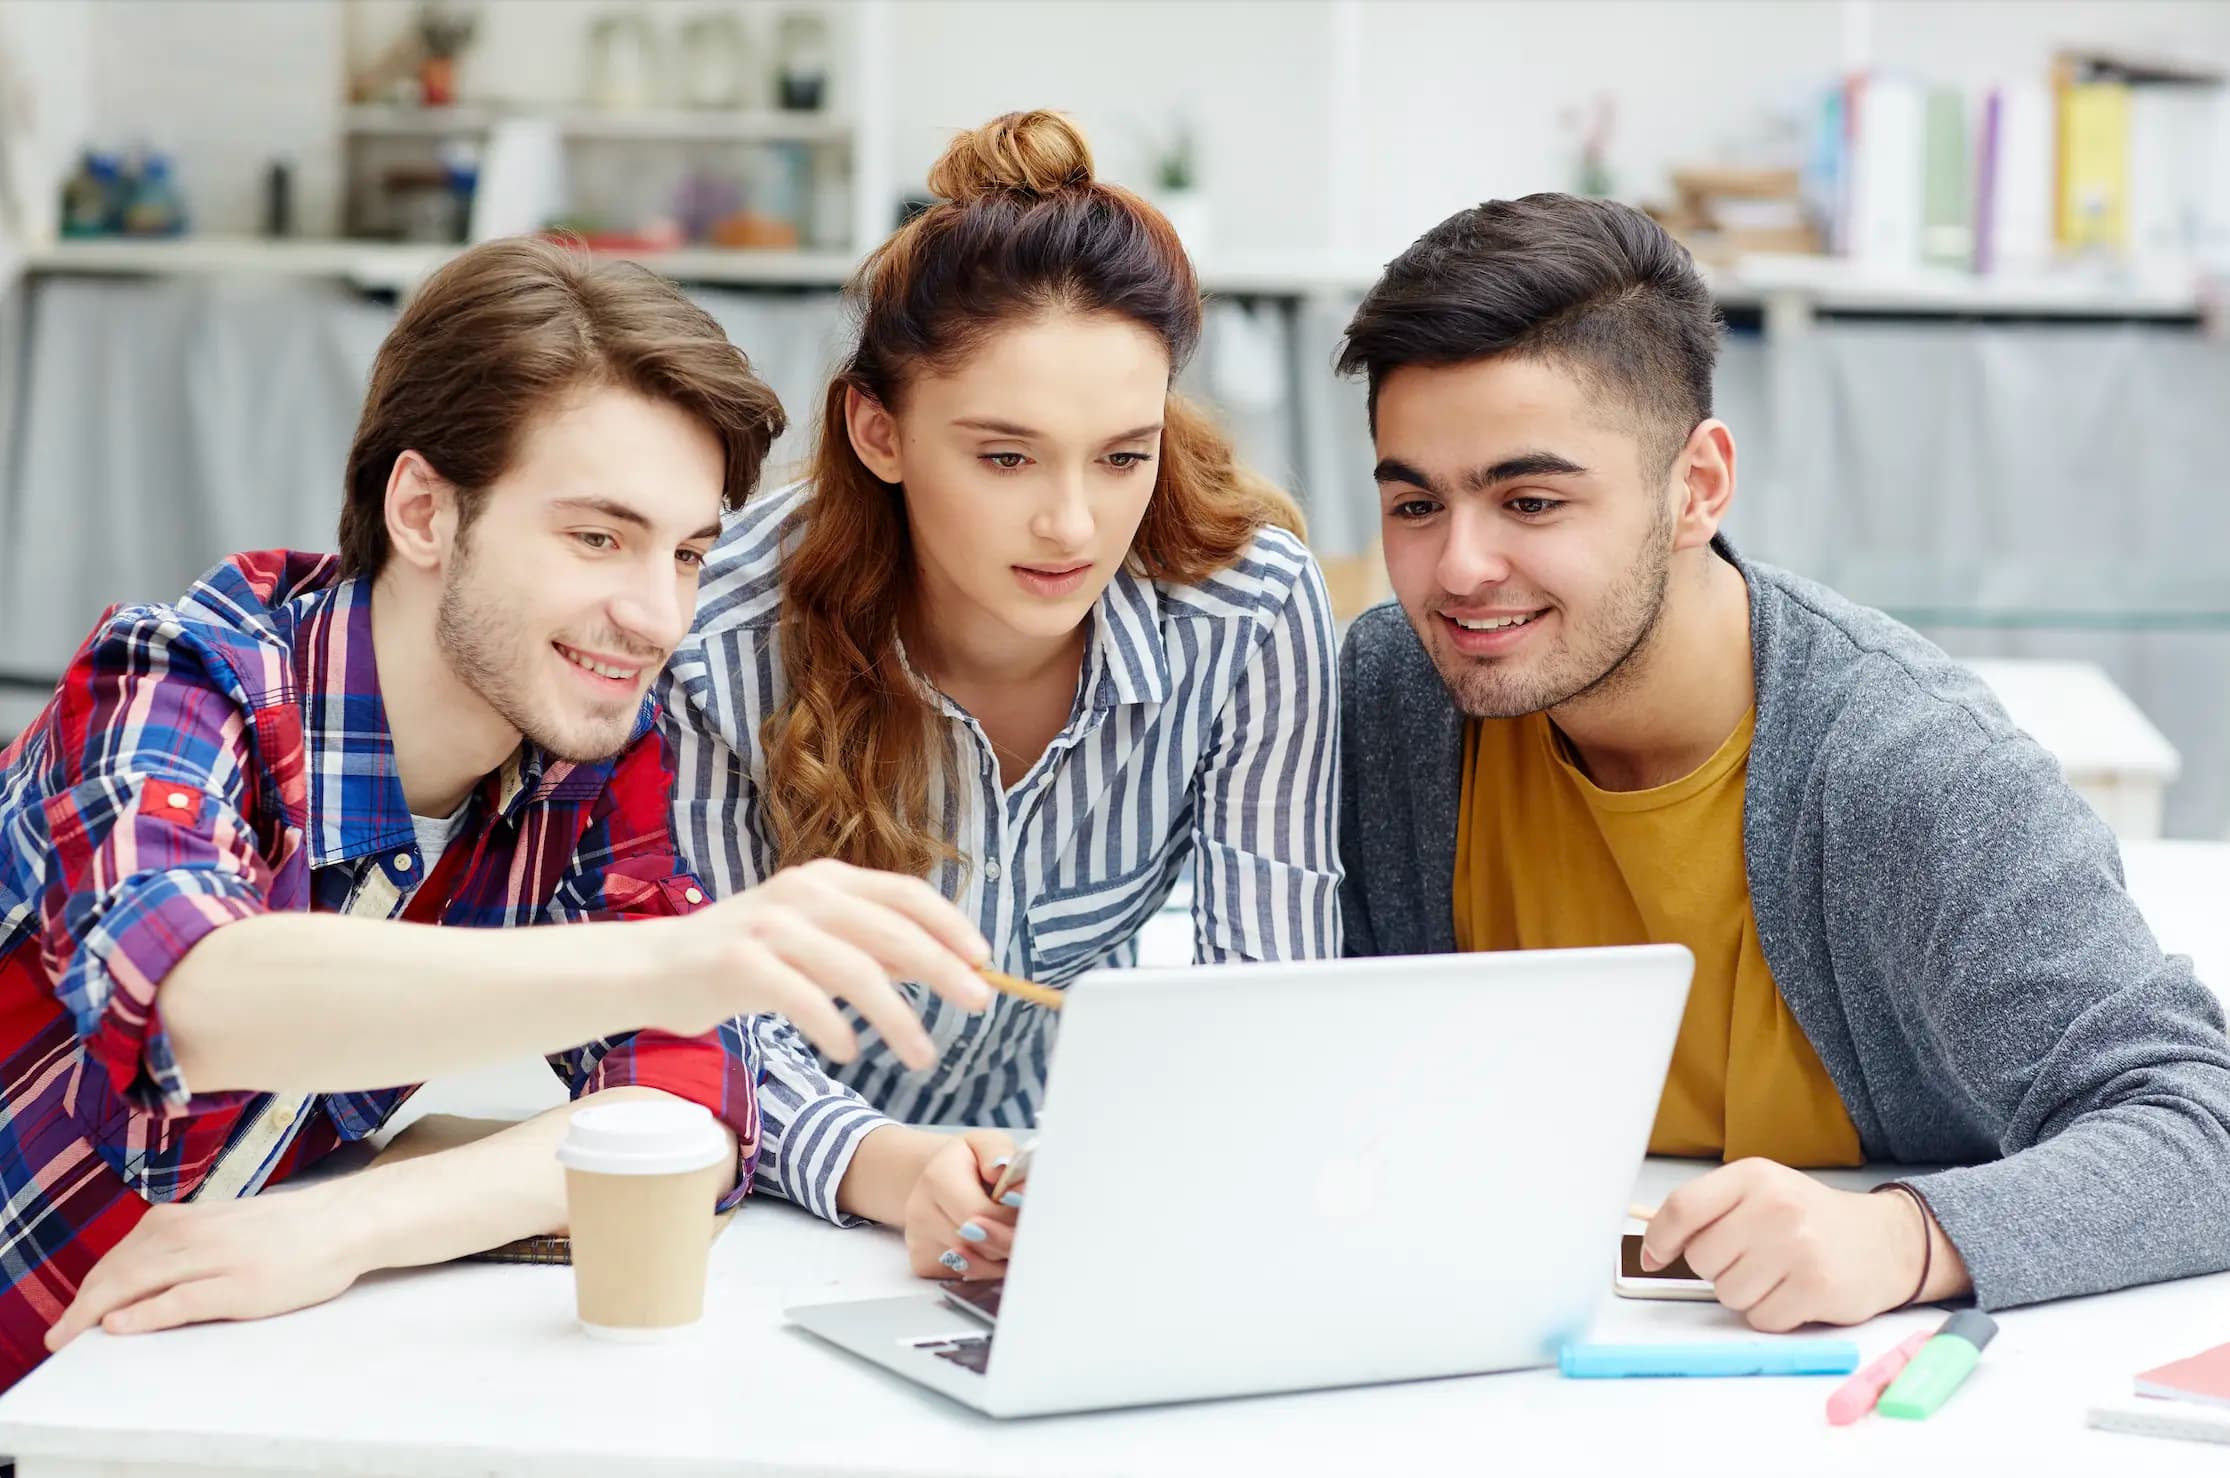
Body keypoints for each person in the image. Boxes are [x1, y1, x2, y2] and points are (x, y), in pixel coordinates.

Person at [0, 238, 995, 1391]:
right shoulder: (176, 682)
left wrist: (340, 1228)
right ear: (423, 510)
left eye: (685, 553)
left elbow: (690, 1105)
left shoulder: (579, 748)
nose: (657, 615)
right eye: (597, 537)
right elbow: (197, 996)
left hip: (125, 1396)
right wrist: (677, 956)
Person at [1333, 192, 2230, 1325]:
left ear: (1696, 486)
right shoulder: (1392, 696)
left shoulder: (1908, 769)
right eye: (1415, 501)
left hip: (1861, 1382)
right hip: (1499, 1352)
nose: (1458, 567)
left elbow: (2200, 1124)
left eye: (1531, 498)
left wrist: (1905, 1236)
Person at [666, 112, 1342, 1283]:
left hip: (1061, 1206)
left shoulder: (1247, 604)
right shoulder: (718, 629)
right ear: (878, 432)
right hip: (768, 1221)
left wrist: (1113, 1172)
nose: (1072, 525)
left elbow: (1268, 1005)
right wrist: (895, 1167)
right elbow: (696, 1028)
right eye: (1005, 456)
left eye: (1122, 456)